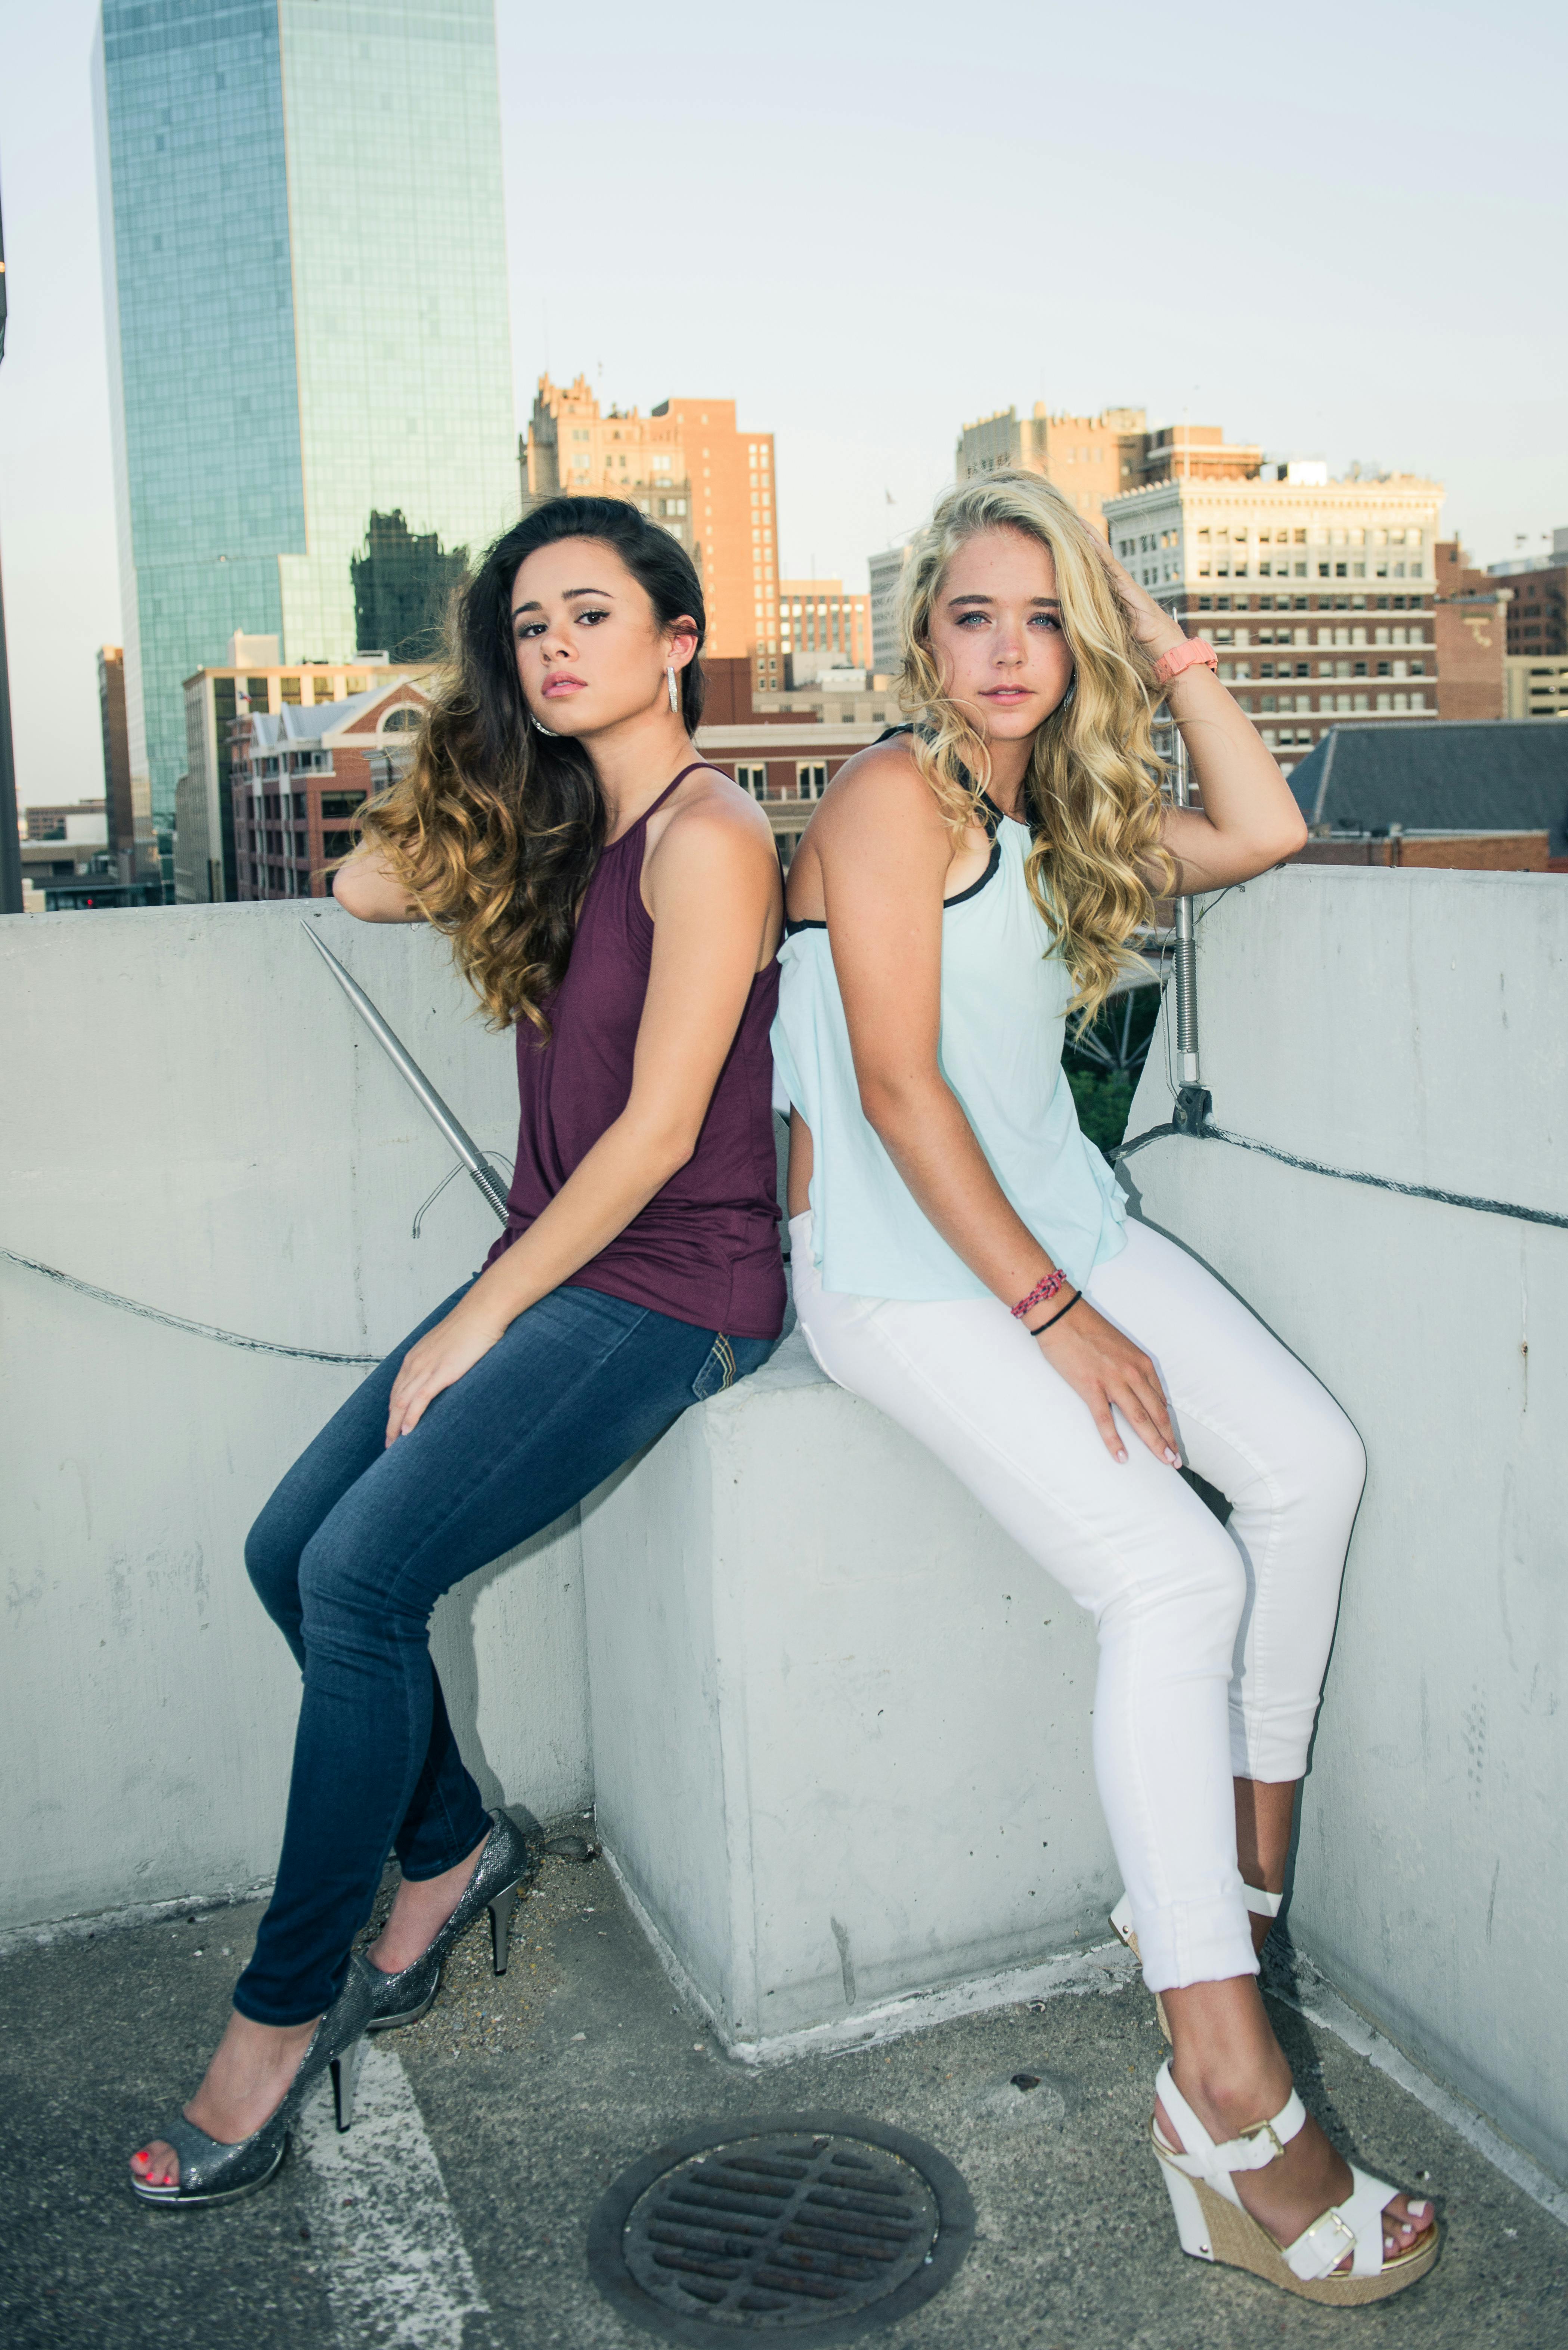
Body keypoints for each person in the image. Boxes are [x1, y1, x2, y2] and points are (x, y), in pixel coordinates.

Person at [772, 471, 1439, 2303]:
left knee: (1310, 1462)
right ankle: (1225, 2092)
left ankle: (1234, 1889)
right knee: (1176, 1575)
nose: (1008, 653)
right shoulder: (889, 799)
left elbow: (1272, 826)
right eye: (976, 617)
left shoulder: (1052, 813)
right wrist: (1059, 1313)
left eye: (1043, 618)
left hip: (1051, 1221)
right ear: (925, 640)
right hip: (908, 1270)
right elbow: (899, 1094)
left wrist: (1163, 638)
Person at [130, 497, 786, 2204]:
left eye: (590, 616)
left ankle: (281, 2017)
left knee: (356, 1581)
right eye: (527, 629)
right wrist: (488, 753)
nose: (554, 648)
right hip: (561, 1275)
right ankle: (449, 1842)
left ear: (678, 640)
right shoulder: (562, 822)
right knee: (290, 1546)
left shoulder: (709, 837)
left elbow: (652, 1141)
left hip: (676, 1290)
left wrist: (478, 1318)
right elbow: (358, 883)